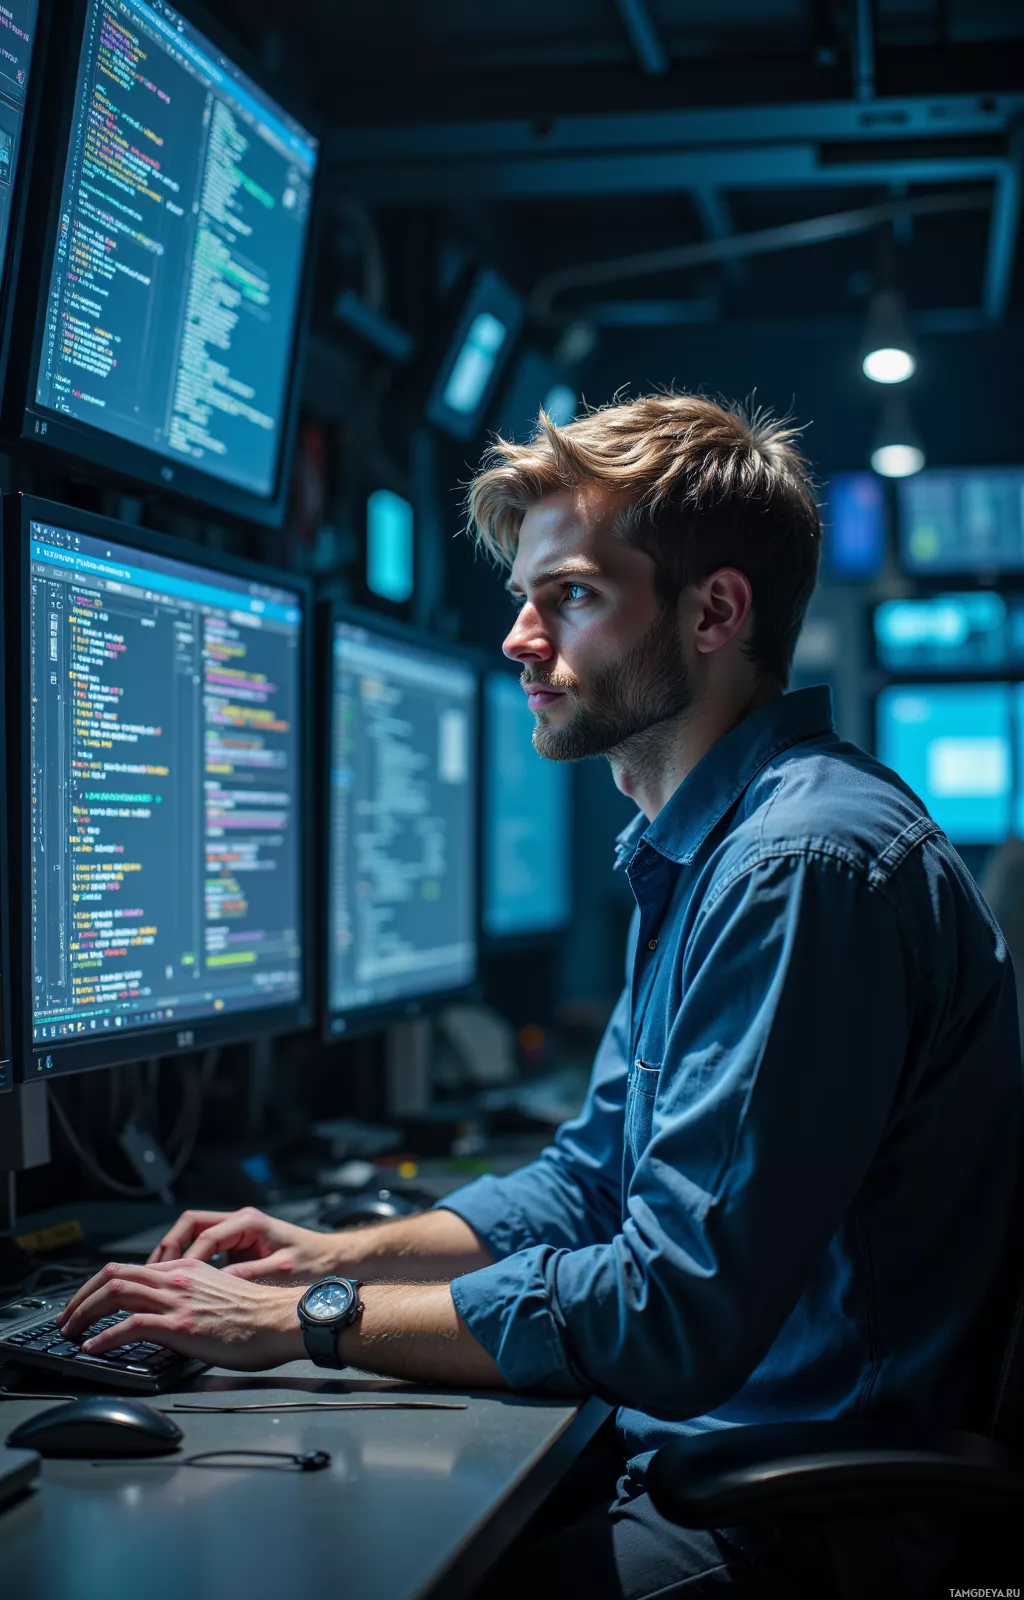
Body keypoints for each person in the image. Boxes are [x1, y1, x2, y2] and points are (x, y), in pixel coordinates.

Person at [58, 395, 1022, 1597]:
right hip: (716, 1452)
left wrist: (313, 1315)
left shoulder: (797, 870)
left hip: (805, 1520)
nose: (519, 637)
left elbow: (670, 1310)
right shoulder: (710, 846)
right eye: (525, 595)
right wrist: (326, 1252)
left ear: (715, 610)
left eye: (568, 594)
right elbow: (591, 1178)